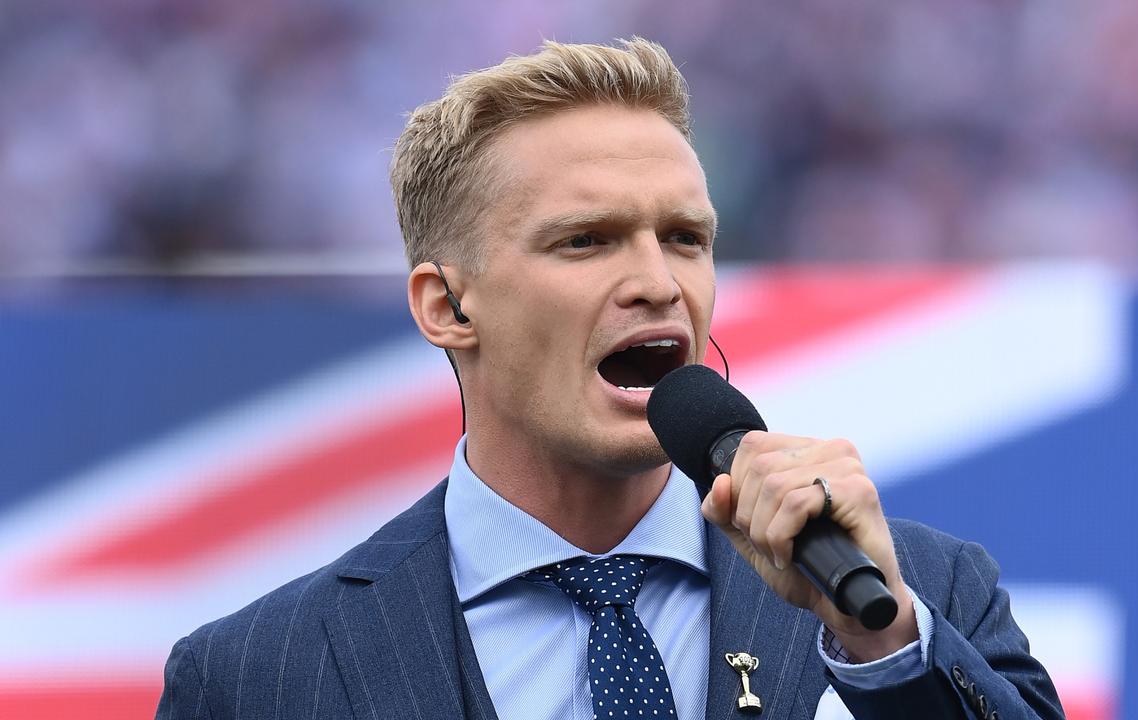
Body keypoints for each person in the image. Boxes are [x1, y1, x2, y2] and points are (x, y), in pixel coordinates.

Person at [156, 38, 1063, 720]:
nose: (659, 283)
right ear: (447, 307)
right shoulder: (258, 675)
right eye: (585, 240)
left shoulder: (918, 594)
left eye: (685, 239)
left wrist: (882, 643)